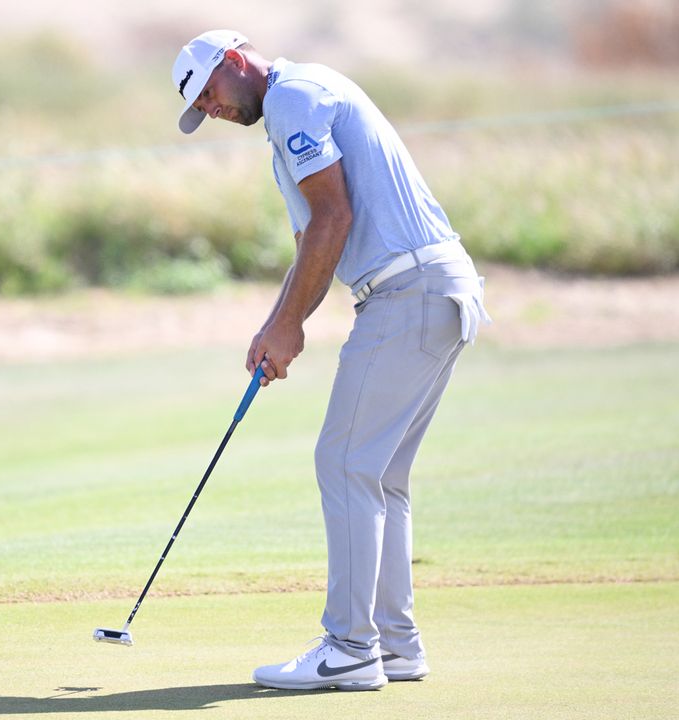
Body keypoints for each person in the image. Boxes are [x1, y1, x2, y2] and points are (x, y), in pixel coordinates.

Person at [170, 30, 491, 691]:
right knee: (379, 477)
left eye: (213, 93)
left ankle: (349, 646)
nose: (215, 110)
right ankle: (395, 646)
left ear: (235, 61)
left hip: (410, 291)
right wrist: (278, 325)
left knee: (343, 463)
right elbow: (309, 243)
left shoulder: (293, 98)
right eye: (203, 108)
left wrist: (287, 325)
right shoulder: (296, 107)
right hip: (434, 290)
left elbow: (332, 218)